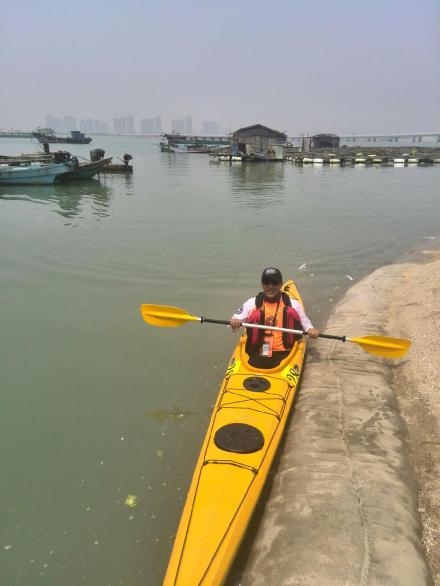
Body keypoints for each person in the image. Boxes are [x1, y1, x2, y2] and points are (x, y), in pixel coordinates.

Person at [230, 267, 319, 368]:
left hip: (286, 353)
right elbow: (233, 324)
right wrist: (234, 324)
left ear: (281, 284)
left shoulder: (293, 304)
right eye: (266, 283)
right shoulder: (252, 303)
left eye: (274, 283)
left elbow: (306, 324)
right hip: (255, 352)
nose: (270, 287)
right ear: (262, 285)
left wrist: (311, 330)